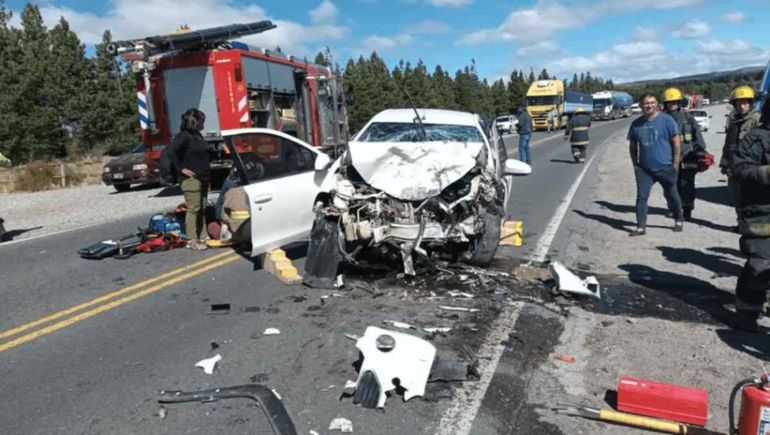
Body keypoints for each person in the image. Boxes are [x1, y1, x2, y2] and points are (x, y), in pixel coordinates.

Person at [627, 93, 684, 236]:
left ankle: (679, 219)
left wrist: (675, 163)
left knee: (672, 195)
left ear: (657, 104)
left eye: (652, 102)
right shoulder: (636, 124)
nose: (649, 105)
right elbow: (633, 146)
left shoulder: (667, 120)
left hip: (665, 167)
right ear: (641, 105)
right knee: (641, 197)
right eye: (646, 103)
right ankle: (641, 227)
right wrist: (635, 165)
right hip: (645, 170)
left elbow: (676, 143)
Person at [662, 87, 707, 221]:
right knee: (670, 185)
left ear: (679, 102)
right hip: (668, 158)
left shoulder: (688, 118)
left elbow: (697, 137)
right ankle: (674, 208)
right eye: (669, 102)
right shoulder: (662, 119)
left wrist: (701, 152)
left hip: (688, 157)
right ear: (665, 104)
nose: (672, 104)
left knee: (687, 185)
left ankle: (687, 210)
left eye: (675, 102)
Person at [720, 85, 761, 230]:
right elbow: (728, 144)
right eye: (739, 103)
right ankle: (742, 224)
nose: (742, 106)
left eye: (745, 103)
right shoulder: (733, 122)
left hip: (752, 167)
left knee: (752, 198)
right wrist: (724, 163)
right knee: (737, 198)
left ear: (751, 103)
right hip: (734, 167)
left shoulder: (757, 120)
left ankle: (753, 226)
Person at [171, 108, 211, 250]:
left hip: (203, 177)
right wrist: (180, 169)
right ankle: (192, 240)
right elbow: (172, 152)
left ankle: (203, 235)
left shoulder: (198, 135)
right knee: (193, 208)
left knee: (202, 207)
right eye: (202, 121)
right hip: (191, 179)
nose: (204, 123)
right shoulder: (183, 136)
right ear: (194, 122)